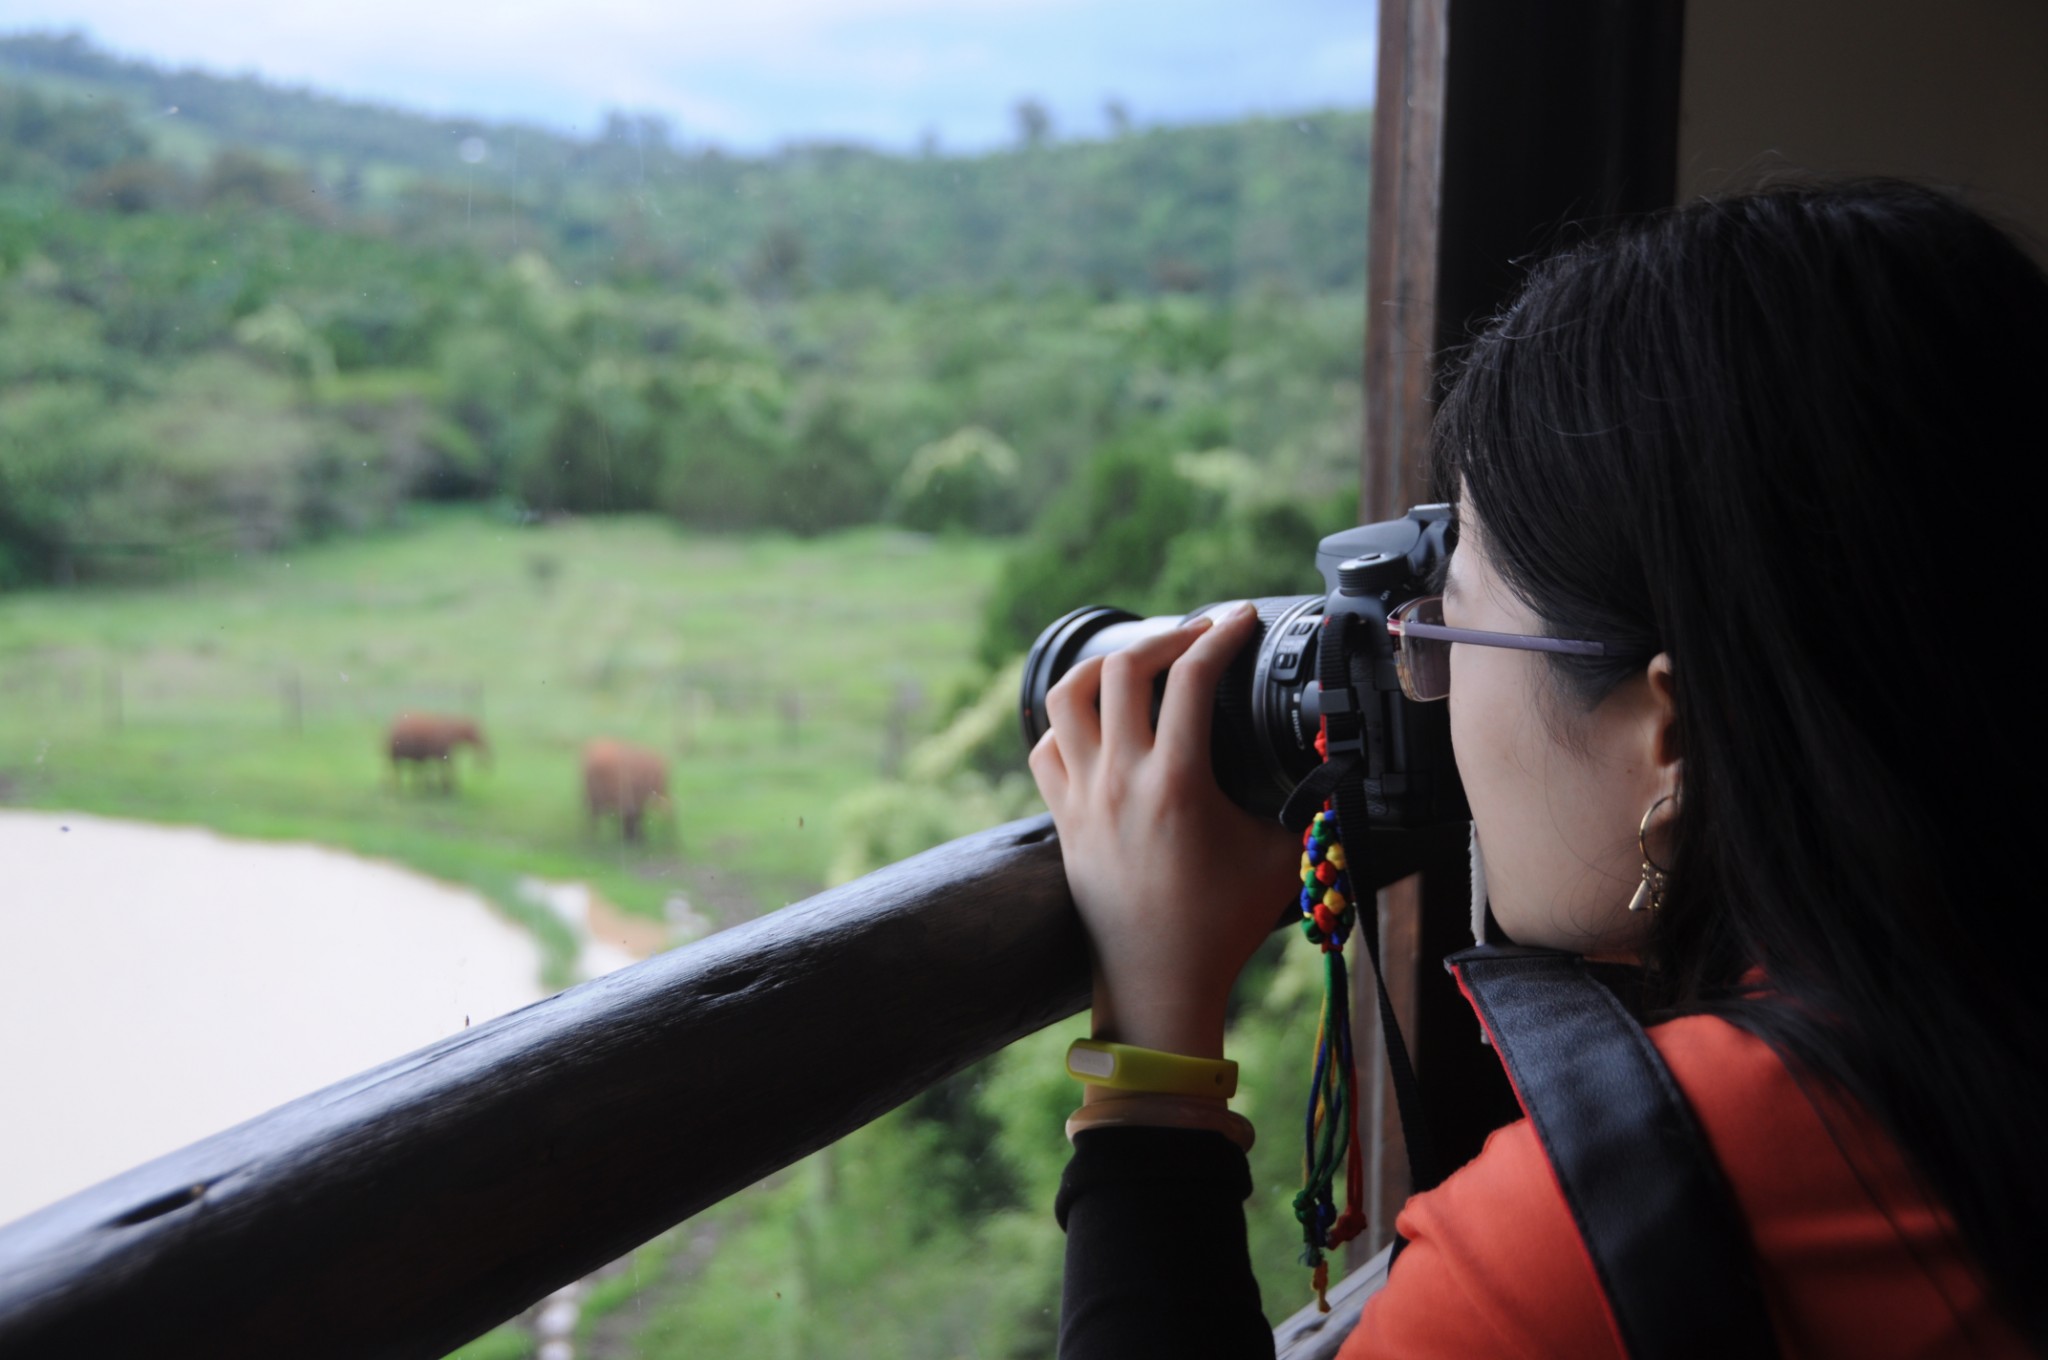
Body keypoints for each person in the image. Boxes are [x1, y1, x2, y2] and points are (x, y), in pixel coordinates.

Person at [1028, 180, 2045, 1357]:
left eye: (1448, 631)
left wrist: (1150, 1050)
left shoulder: (1604, 1236)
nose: (1431, 688)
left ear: (1666, 732)